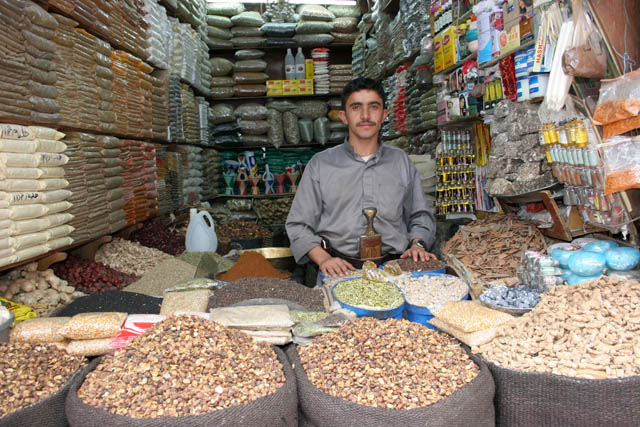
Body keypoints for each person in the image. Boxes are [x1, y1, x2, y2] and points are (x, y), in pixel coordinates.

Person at [286, 77, 437, 279]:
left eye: (373, 107)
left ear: (384, 115)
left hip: (395, 271)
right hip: (339, 271)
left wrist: (417, 244)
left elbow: (420, 215)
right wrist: (324, 259)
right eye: (356, 107)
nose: (365, 115)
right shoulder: (321, 165)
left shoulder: (401, 161)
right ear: (344, 116)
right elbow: (298, 225)